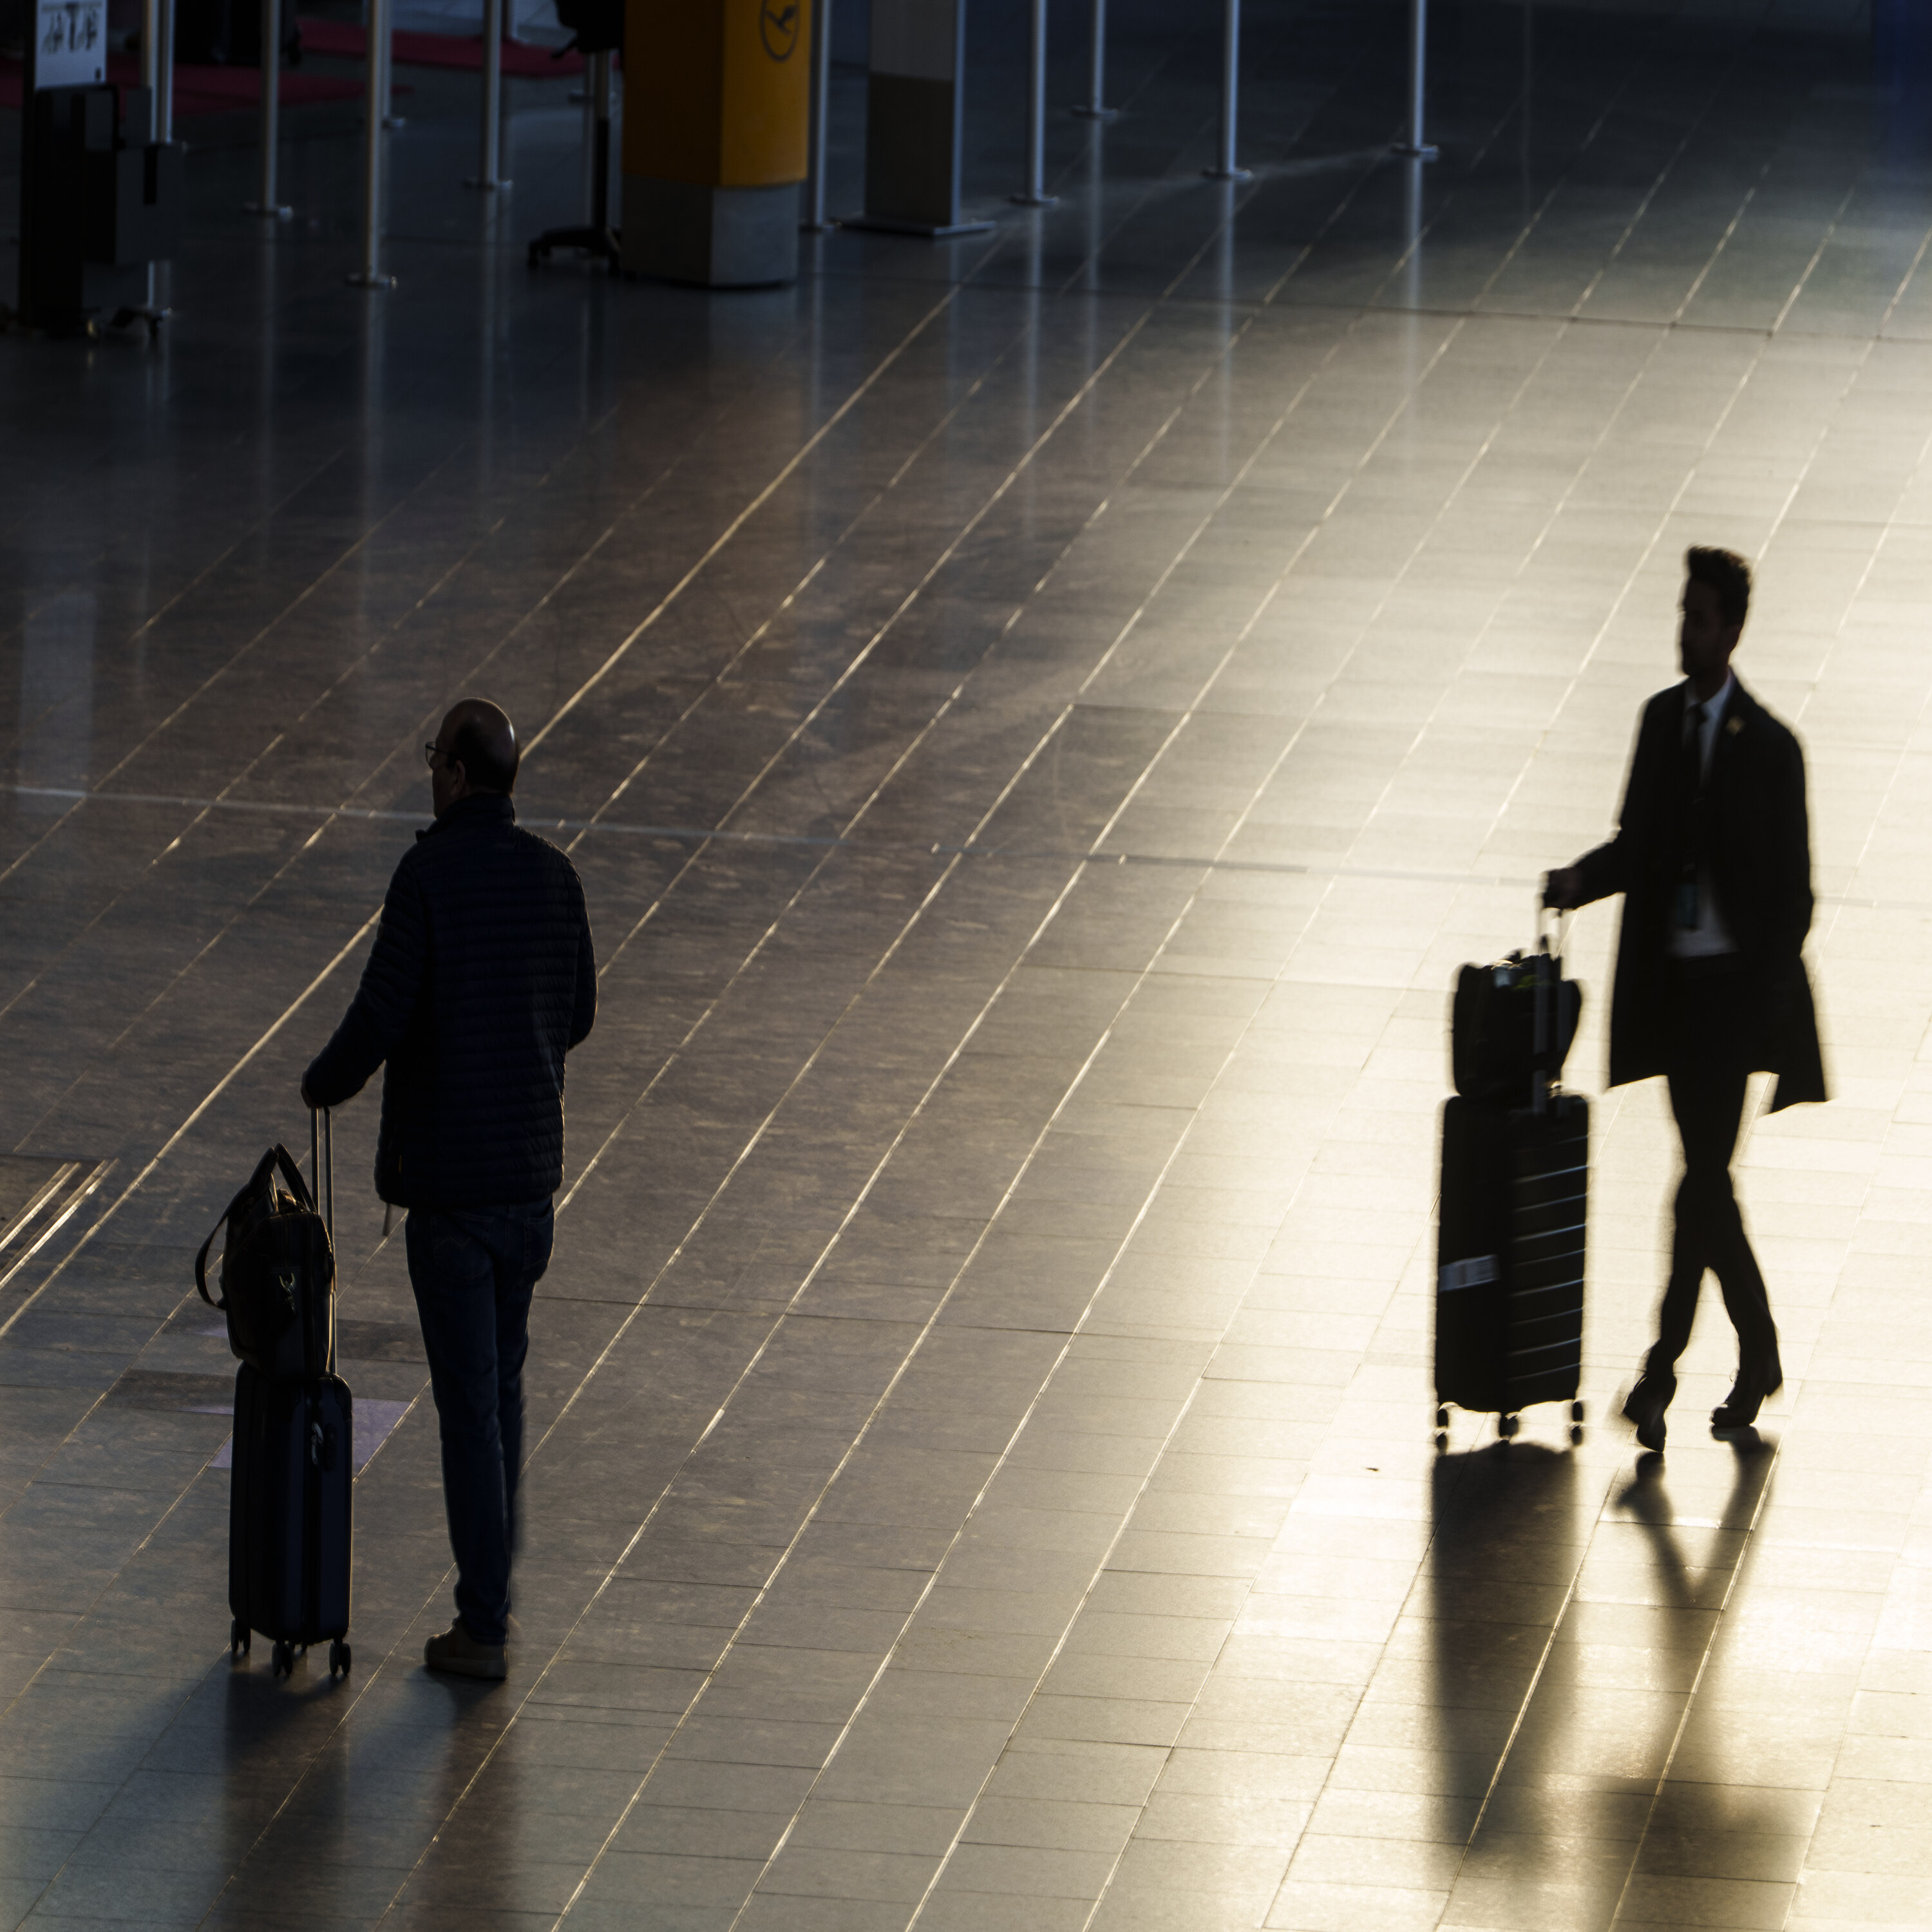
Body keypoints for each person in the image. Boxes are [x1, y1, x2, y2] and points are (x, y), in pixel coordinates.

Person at [302, 699, 596, 1678]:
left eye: (436, 759)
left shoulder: (428, 875)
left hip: (454, 1195)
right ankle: (492, 1589)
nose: (431, 773)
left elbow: (382, 1011)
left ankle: (483, 1624)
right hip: (529, 1186)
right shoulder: (555, 877)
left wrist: (324, 1084)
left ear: (460, 777)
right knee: (499, 1389)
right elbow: (580, 1010)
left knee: (470, 1404)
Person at [1545, 547, 1823, 1454]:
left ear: (1732, 630)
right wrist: (1577, 881)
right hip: (1676, 992)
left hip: (1734, 1004)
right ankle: (1761, 1351)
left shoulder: (1773, 750)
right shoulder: (1660, 723)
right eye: (1682, 613)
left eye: (1699, 617)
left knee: (1699, 1181)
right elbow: (1639, 844)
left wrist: (1765, 988)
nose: (1686, 630)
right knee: (1707, 1184)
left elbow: (1795, 893)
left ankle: (1661, 1370)